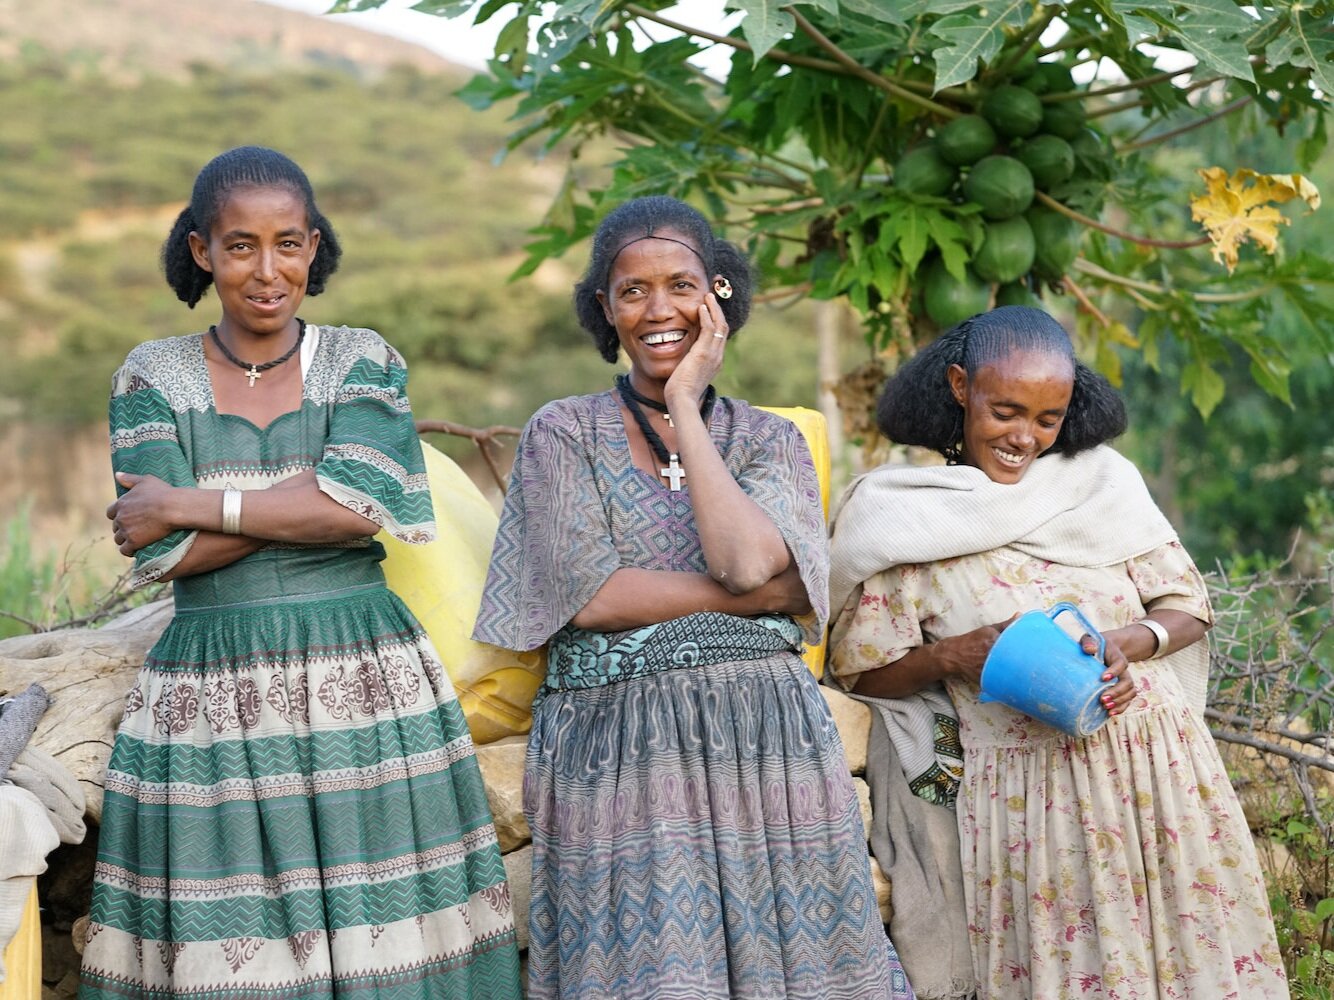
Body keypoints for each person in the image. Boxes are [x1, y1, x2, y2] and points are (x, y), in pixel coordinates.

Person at [80, 146, 522, 1000]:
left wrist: (194, 501)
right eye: (240, 245)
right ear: (202, 251)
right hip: (209, 692)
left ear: (315, 247)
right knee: (237, 950)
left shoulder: (363, 359)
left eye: (288, 242)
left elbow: (363, 509)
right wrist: (311, 492)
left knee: (386, 947)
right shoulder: (150, 374)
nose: (267, 269)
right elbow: (163, 551)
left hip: (366, 682)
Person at [473, 195, 913, 999]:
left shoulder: (768, 438)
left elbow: (748, 561)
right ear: (604, 309)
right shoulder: (563, 432)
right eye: (631, 291)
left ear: (718, 295)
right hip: (617, 739)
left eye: (680, 285)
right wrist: (753, 602)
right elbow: (593, 599)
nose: (658, 308)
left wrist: (685, 407)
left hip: (767, 737)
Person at [828, 305, 1288, 999]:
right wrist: (954, 656)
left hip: (1156, 777)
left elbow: (1187, 606)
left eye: (1047, 420)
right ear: (960, 387)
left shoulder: (1101, 485)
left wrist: (1126, 644)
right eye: (1005, 412)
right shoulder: (899, 515)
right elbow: (863, 668)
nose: (1025, 438)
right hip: (1031, 803)